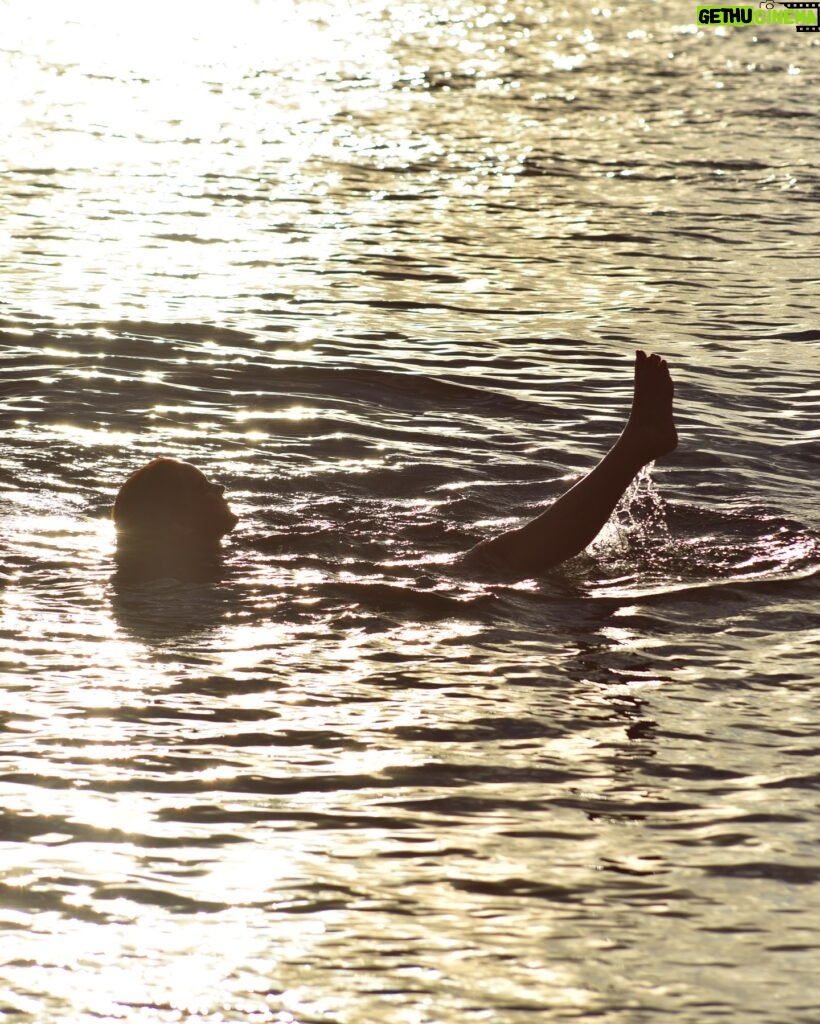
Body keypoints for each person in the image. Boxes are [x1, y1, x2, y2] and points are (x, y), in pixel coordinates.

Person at [111, 350, 676, 581]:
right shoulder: (190, 586)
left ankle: (634, 447)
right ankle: (633, 448)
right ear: (178, 523)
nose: (218, 483)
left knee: (498, 558)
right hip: (417, 591)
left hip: (386, 579)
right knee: (497, 561)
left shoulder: (216, 564)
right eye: (200, 485)